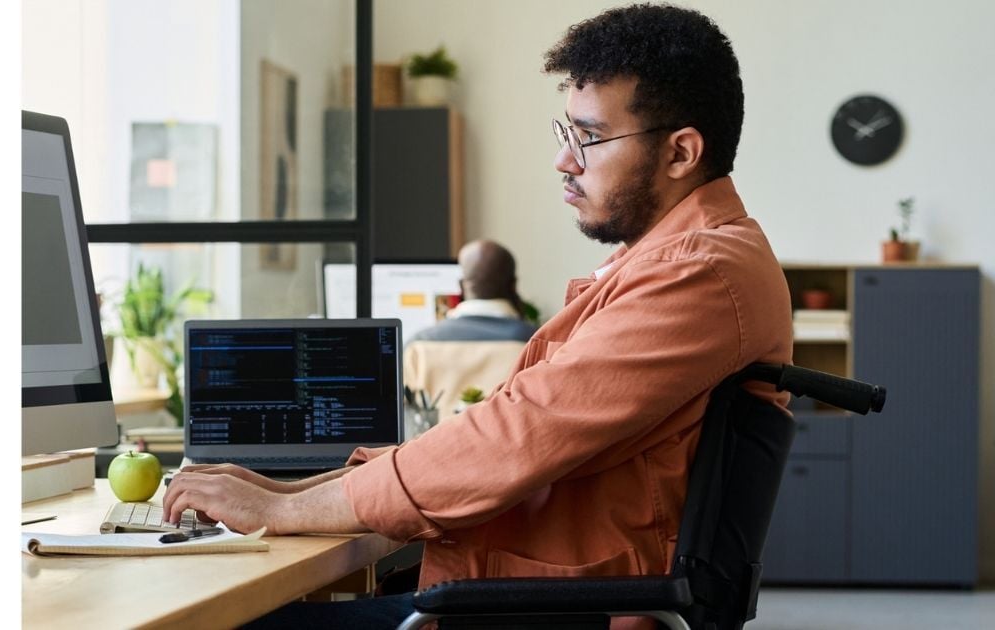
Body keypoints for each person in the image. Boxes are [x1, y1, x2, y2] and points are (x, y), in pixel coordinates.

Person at [164, 5, 793, 628]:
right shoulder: (677, 260)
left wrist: (284, 511)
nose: (565, 160)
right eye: (565, 132)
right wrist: (285, 494)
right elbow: (508, 430)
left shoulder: (699, 274)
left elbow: (513, 437)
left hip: (558, 611)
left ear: (681, 152)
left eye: (591, 138)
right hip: (534, 591)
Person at [404, 239, 538, 421]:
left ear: (461, 286)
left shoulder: (418, 346)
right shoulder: (538, 342)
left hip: (438, 447)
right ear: (513, 285)